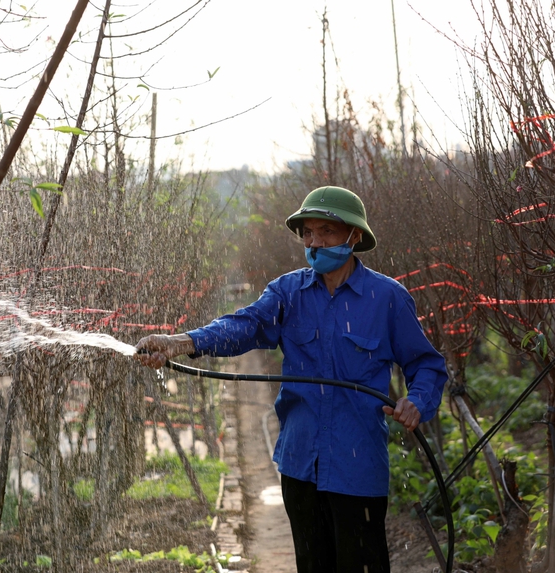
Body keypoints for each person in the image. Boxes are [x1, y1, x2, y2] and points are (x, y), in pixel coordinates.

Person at [134, 186, 447, 573]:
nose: (315, 243)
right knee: (313, 565)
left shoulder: (387, 299)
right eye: (308, 234)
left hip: (357, 464)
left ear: (355, 236)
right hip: (300, 463)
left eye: (327, 232)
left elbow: (428, 365)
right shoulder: (288, 292)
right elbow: (244, 326)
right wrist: (181, 342)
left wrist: (417, 400)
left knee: (362, 565)